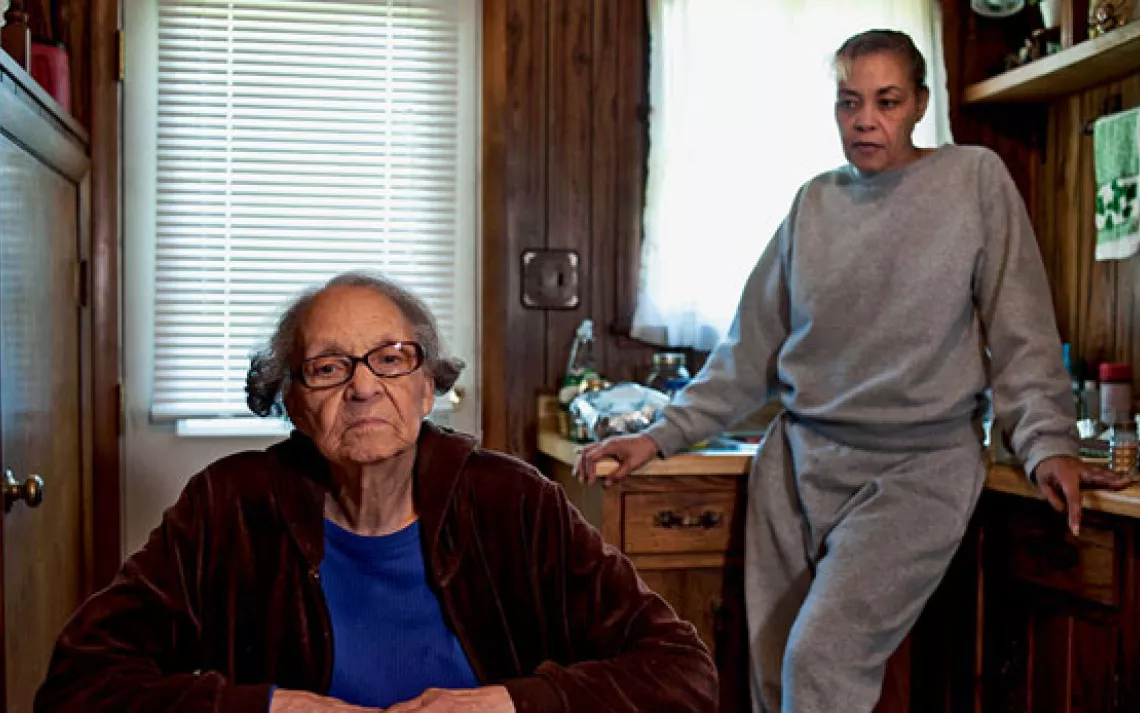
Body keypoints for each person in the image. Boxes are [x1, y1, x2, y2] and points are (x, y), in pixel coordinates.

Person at [576, 28, 1131, 713]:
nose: (865, 119)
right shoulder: (813, 203)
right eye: (849, 102)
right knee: (775, 677)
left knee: (821, 658)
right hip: (798, 465)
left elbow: (1024, 333)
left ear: (920, 103)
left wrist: (1047, 443)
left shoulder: (974, 180)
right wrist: (660, 435)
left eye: (886, 101)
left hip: (918, 470)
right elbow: (747, 352)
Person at [34, 272, 718, 713]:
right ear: (293, 404)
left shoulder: (513, 503)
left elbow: (682, 672)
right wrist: (269, 707)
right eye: (327, 367)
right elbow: (78, 683)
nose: (363, 387)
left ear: (428, 387)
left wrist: (507, 703)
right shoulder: (228, 509)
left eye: (391, 359)